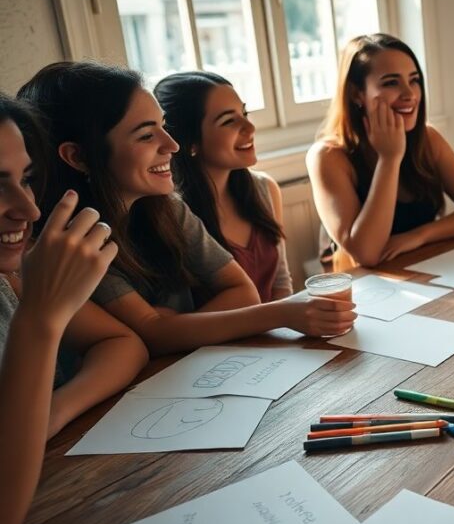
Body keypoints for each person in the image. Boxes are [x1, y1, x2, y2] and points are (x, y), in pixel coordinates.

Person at [18, 62, 355, 356]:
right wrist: (283, 313)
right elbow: (152, 333)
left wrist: (174, 326)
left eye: (163, 126)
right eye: (146, 136)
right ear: (78, 156)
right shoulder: (74, 241)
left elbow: (243, 292)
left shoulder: (168, 209)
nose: (172, 145)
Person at [0, 94, 147, 524]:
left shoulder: (11, 275)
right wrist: (39, 321)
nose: (29, 209)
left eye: (26, 180)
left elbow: (123, 342)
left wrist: (51, 412)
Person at [308, 34, 454, 270]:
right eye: (391, 83)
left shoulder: (427, 139)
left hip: (424, 267)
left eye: (414, 80)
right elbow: (367, 254)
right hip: (364, 283)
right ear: (357, 94)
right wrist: (389, 159)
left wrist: (419, 236)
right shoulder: (327, 157)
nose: (410, 94)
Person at [155, 71, 292, 301]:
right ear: (190, 142)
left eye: (244, 113)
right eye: (229, 121)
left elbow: (281, 283)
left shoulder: (265, 188)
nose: (250, 128)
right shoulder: (173, 216)